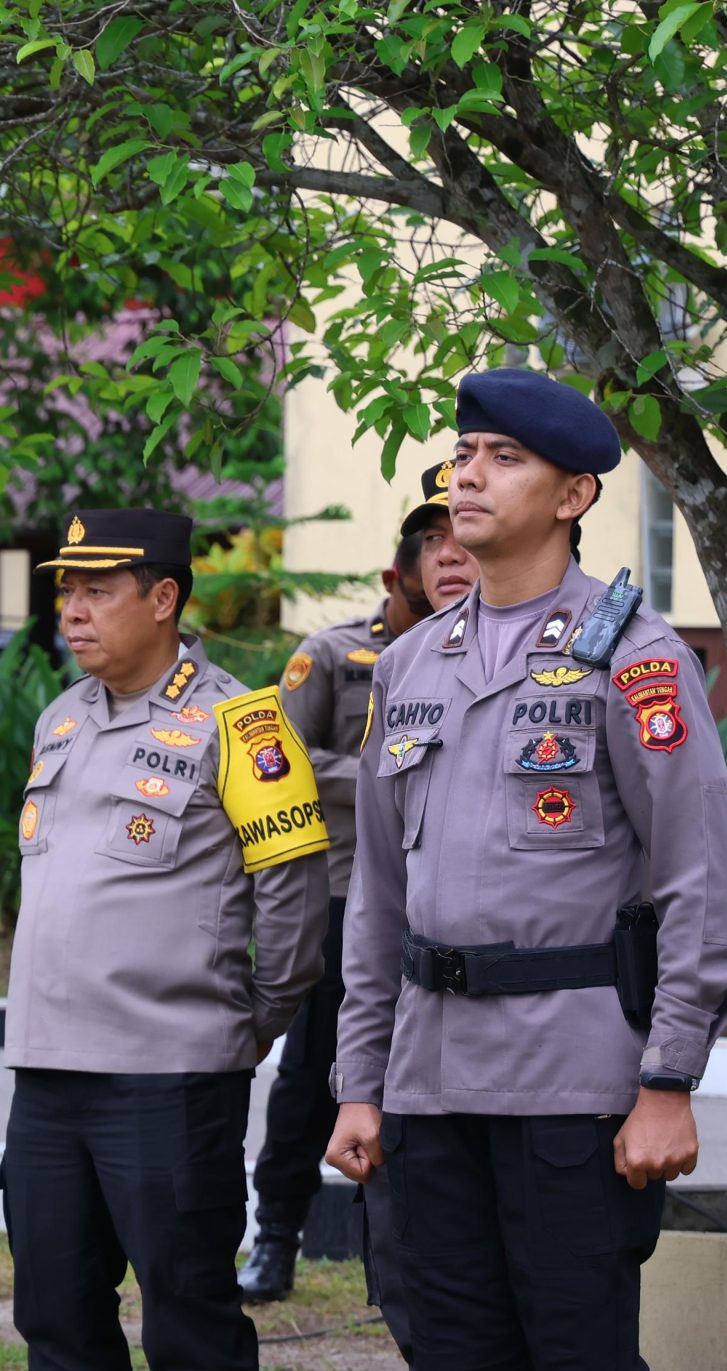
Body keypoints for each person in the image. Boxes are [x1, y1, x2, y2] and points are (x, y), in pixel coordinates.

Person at [326, 366, 727, 1371]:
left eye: (502, 458)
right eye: (462, 455)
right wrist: (357, 1077)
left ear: (573, 494)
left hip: (576, 1078)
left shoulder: (635, 660)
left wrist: (670, 1075)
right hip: (431, 1085)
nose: (469, 477)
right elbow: (376, 895)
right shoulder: (419, 664)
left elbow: (698, 886)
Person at [0, 508, 329, 1371]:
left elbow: (295, 907)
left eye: (97, 590)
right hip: (49, 1068)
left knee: (185, 1301)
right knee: (55, 1297)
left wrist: (238, 1025)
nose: (70, 610)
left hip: (170, 1069)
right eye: (63, 591)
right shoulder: (61, 720)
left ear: (164, 598)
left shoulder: (244, 725)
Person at [240, 457, 470, 1306]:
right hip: (343, 897)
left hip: (439, 903)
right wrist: (386, 773)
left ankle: (400, 1256)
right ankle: (274, 1238)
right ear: (397, 571)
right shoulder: (334, 657)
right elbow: (280, 763)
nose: (451, 557)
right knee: (315, 1076)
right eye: (432, 543)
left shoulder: (488, 655)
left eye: (462, 542)